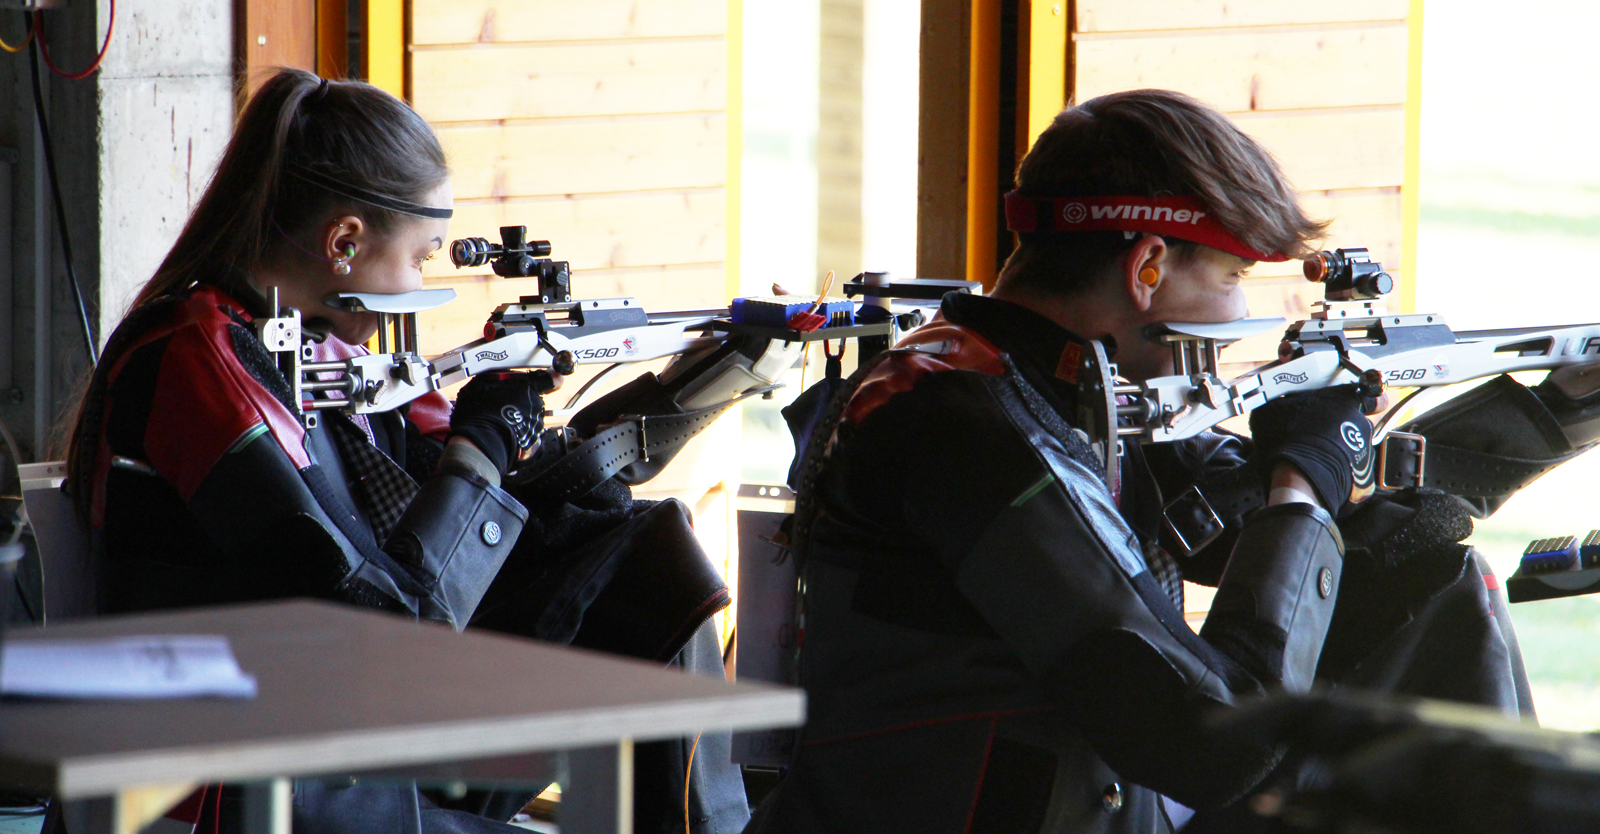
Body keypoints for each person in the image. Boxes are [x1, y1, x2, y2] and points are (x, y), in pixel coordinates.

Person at [745, 89, 1529, 834]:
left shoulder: (1058, 387)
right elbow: (1217, 743)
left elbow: (1247, 529)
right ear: (1147, 266)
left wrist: (1552, 413)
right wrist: (1301, 485)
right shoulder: (964, 423)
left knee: (1437, 580)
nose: (1238, 313)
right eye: (1231, 279)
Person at [62, 69, 748, 834]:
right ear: (345, 241)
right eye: (421, 256)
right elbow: (384, 634)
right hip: (234, 790)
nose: (421, 280)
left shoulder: (325, 355)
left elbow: (493, 511)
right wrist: (481, 444)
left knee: (647, 553)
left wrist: (693, 390)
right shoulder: (197, 359)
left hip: (338, 754)